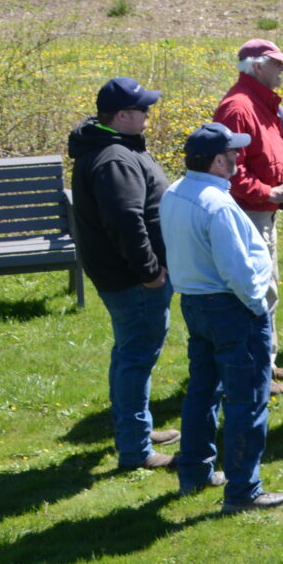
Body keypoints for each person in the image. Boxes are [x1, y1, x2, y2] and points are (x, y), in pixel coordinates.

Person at [159, 122, 283, 512]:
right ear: (217, 160)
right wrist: (256, 308)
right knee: (247, 399)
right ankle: (243, 491)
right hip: (230, 307)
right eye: (232, 152)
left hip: (195, 304)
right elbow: (237, 270)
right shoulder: (216, 204)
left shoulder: (174, 192)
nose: (238, 157)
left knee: (202, 391)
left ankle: (195, 473)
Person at [68, 77, 180, 471]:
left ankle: (138, 427)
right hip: (133, 279)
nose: (148, 114)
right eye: (142, 109)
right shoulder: (114, 158)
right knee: (135, 356)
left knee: (130, 353)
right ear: (121, 116)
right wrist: (149, 271)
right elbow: (125, 221)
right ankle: (135, 449)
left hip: (126, 274)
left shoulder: (112, 148)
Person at [213, 38, 283, 389]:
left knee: (268, 288)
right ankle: (254, 369)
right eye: (277, 63)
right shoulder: (238, 107)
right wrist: (269, 191)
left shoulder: (261, 103)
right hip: (249, 212)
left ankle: (267, 360)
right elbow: (231, 169)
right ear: (257, 65)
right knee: (255, 290)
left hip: (265, 210)